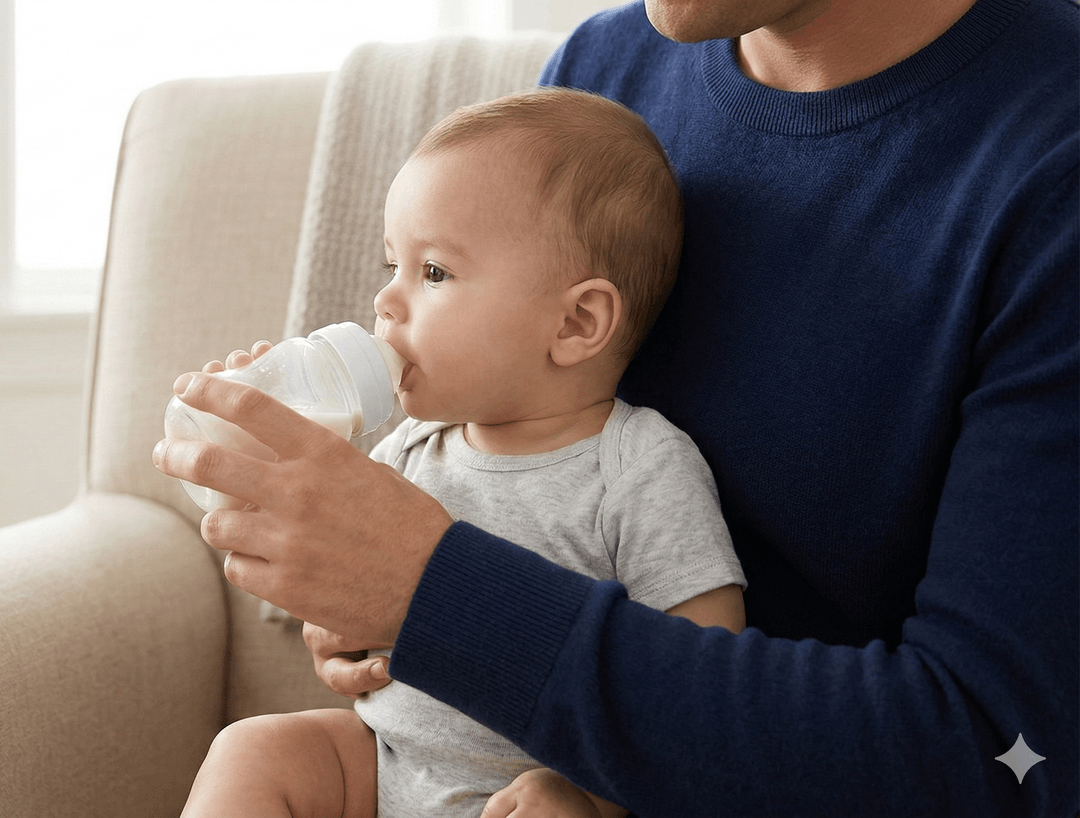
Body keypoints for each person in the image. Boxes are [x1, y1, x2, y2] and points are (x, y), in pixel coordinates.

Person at [153, 0, 1079, 814]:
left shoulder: (1050, 163)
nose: (394, 299)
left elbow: (997, 758)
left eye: (430, 273)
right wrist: (356, 589)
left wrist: (429, 594)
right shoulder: (602, 82)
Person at [178, 88, 747, 818]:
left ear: (576, 322)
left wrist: (593, 799)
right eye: (392, 265)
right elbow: (307, 550)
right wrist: (252, 428)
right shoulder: (411, 445)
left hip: (531, 787)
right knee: (255, 750)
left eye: (434, 272)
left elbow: (698, 687)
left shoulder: (638, 467)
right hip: (384, 766)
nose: (386, 302)